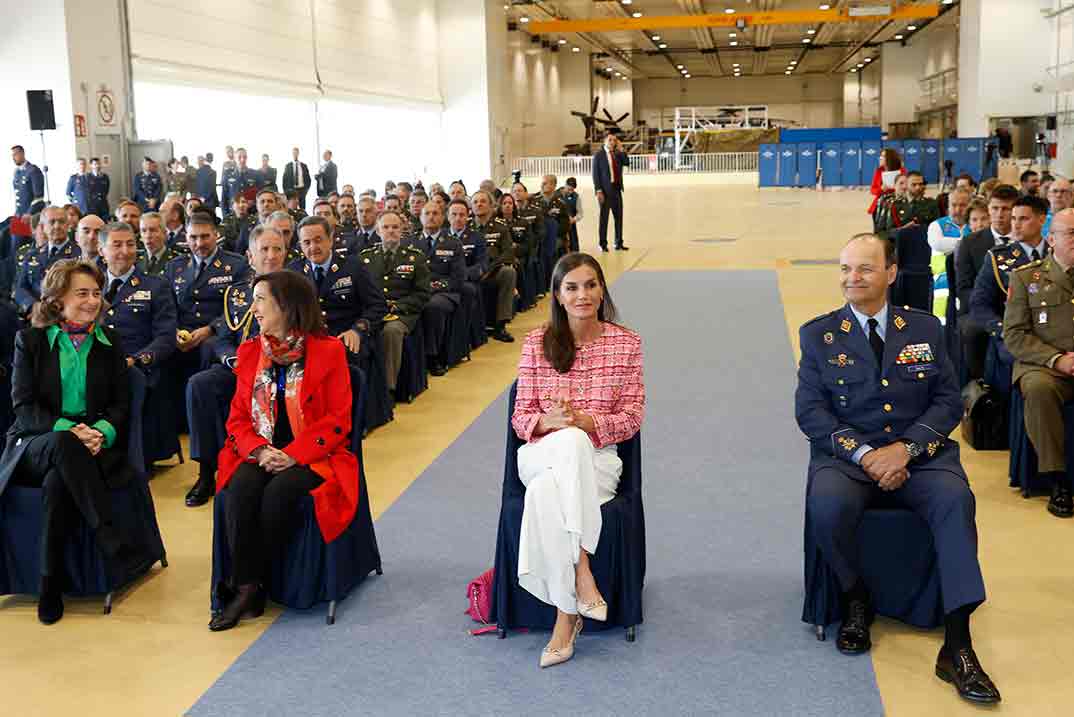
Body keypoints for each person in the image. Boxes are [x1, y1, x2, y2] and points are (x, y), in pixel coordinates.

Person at [795, 234, 1000, 704]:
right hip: (849, 458)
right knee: (826, 505)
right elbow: (811, 413)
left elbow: (948, 399)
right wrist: (867, 455)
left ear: (891, 273)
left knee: (956, 502)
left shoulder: (925, 329)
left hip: (922, 457)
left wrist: (906, 450)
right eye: (845, 268)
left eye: (864, 269)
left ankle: (958, 644)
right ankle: (854, 595)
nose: (852, 278)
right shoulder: (819, 335)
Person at [511, 252, 644, 668]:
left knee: (546, 491)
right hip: (540, 452)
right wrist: (545, 421)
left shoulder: (627, 343)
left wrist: (588, 422)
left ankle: (565, 617)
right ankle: (583, 572)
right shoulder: (537, 342)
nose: (582, 294)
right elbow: (520, 418)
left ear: (602, 289)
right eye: (572, 287)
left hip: (597, 460)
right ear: (558, 294)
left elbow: (633, 417)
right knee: (566, 440)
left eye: (590, 285)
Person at [0, 260, 150, 624]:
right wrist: (71, 429)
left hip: (93, 443)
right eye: (81, 293)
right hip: (35, 441)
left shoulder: (108, 340)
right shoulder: (30, 340)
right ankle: (110, 538)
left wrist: (100, 432)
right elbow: (24, 408)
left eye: (96, 293)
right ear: (56, 300)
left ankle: (49, 582)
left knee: (59, 481)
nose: (92, 301)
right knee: (64, 446)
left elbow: (120, 405)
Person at [209, 269, 359, 631]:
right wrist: (260, 451)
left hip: (313, 454)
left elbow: (338, 420)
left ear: (287, 307)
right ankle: (249, 586)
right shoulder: (249, 353)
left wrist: (294, 454)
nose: (253, 308)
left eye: (261, 300)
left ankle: (247, 584)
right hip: (261, 449)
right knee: (241, 489)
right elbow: (238, 419)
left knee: (278, 495)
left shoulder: (328, 352)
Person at [186, 224, 288, 509]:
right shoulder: (237, 293)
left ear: (285, 253)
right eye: (263, 250)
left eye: (277, 249)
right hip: (240, 367)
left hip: (283, 369)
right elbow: (223, 338)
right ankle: (206, 472)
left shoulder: (298, 289)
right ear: (250, 256)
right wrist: (231, 358)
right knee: (199, 385)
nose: (270, 255)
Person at [1003, 207, 1074, 518]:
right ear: (1052, 239)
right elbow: (1015, 335)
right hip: (1046, 367)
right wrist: (1056, 359)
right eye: (1070, 233)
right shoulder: (1025, 278)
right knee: (1038, 388)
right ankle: (1058, 481)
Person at [970, 195, 1049, 362]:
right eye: (1013, 218)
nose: (1016, 224)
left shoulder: (1056, 253)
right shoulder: (998, 257)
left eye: (1023, 219)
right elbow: (979, 303)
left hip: (1054, 331)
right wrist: (1002, 330)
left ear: (1041, 220)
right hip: (1014, 332)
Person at [358, 211, 430, 392]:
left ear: (402, 230)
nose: (390, 231)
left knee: (390, 332)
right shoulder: (366, 258)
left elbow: (422, 293)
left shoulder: (415, 257)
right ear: (378, 230)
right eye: (386, 227)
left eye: (395, 227)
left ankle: (388, 388)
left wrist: (398, 306)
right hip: (374, 311)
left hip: (402, 313)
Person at [956, 183, 1019, 381]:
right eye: (995, 208)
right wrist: (990, 312)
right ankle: (979, 387)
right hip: (980, 309)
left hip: (1021, 310)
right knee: (972, 330)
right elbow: (964, 288)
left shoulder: (1026, 239)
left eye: (1006, 209)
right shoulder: (969, 243)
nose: (1000, 214)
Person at [99, 221, 177, 372]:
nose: (126, 251)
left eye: (130, 244)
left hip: (139, 370)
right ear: (101, 250)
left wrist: (136, 360)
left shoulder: (156, 286)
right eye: (117, 245)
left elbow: (166, 337)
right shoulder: (94, 285)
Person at [405, 201, 464, 376]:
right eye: (427, 213)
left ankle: (433, 356)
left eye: (435, 213)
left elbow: (458, 278)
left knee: (432, 307)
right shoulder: (410, 242)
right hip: (416, 291)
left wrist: (434, 287)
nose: (431, 217)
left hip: (445, 293)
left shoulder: (453, 243)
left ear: (443, 217)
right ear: (420, 217)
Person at [15, 206, 82, 315]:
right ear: (43, 227)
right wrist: (32, 306)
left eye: (61, 222)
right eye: (52, 222)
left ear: (68, 225)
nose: (57, 226)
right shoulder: (32, 255)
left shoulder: (79, 253)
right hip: (35, 316)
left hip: (65, 315)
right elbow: (20, 288)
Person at [471, 190, 516, 342]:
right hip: (471, 273)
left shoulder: (500, 227)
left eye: (483, 201)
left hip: (493, 271)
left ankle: (500, 325)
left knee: (509, 272)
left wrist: (488, 270)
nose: (479, 204)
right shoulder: (467, 227)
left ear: (491, 206)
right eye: (475, 202)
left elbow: (508, 253)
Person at [592, 133, 630, 251]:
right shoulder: (599, 155)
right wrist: (598, 190)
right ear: (604, 141)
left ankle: (618, 242)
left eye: (614, 140)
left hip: (616, 190)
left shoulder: (617, 154)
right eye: (610, 140)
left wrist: (621, 148)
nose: (612, 142)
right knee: (604, 218)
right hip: (604, 191)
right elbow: (595, 174)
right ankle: (602, 244)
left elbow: (627, 162)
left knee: (618, 217)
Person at [927, 187, 971, 255]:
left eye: (962, 205)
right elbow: (938, 244)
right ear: (948, 206)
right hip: (942, 265)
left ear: (970, 206)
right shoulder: (936, 225)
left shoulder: (976, 224)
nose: (958, 210)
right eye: (954, 205)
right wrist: (970, 243)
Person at [867, 148, 905, 220]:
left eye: (883, 156)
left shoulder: (901, 171)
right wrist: (881, 189)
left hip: (897, 204)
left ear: (890, 158)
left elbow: (906, 188)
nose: (880, 158)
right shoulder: (879, 171)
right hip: (880, 204)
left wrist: (896, 188)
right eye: (880, 155)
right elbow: (872, 190)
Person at [11, 145, 46, 217]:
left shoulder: (33, 170)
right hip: (21, 214)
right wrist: (17, 213)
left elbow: (38, 196)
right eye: (12, 155)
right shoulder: (17, 173)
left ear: (22, 154)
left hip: (33, 215)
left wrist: (29, 213)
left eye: (15, 155)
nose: (13, 158)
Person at [561, 177, 583, 253]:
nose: (570, 192)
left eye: (572, 190)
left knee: (573, 248)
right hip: (559, 226)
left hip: (571, 225)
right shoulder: (556, 194)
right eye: (569, 189)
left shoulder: (576, 197)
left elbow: (580, 213)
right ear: (565, 185)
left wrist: (573, 219)